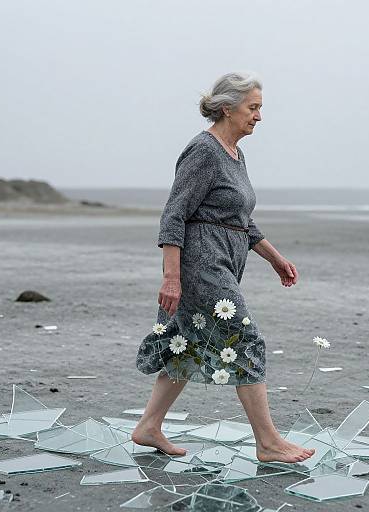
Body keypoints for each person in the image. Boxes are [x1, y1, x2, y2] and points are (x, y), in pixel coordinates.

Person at [134, 72, 315, 464]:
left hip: (227, 261)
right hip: (201, 263)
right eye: (254, 108)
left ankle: (148, 426)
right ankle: (267, 442)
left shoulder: (236, 153)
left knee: (188, 342)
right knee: (246, 340)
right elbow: (174, 214)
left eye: (260, 109)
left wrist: (275, 258)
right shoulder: (203, 150)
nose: (259, 117)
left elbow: (241, 220)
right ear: (227, 108)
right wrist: (171, 276)